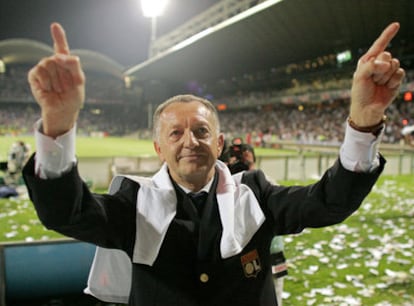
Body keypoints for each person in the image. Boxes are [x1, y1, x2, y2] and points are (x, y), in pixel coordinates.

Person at [22, 22, 404, 306]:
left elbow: (329, 201)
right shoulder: (132, 201)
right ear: (159, 148)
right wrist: (58, 126)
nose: (190, 141)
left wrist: (364, 120)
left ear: (219, 143)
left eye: (201, 131)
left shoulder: (255, 194)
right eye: (175, 134)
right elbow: (66, 213)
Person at [221, 141, 288, 306]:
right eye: (237, 163)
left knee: (272, 294)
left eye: (247, 163)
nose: (242, 167)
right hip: (236, 257)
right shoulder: (222, 188)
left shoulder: (265, 184)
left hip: (271, 253)